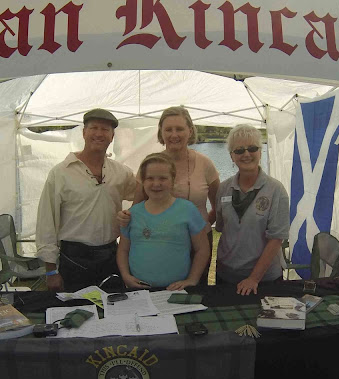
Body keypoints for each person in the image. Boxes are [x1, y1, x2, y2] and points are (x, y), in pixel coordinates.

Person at [36, 108, 136, 292]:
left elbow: (145, 194)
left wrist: (129, 215)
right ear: (84, 132)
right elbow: (46, 222)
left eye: (105, 130)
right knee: (76, 312)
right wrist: (51, 271)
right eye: (94, 128)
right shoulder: (60, 173)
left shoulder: (121, 172)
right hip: (73, 260)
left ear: (112, 136)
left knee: (113, 311)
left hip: (110, 257)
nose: (99, 134)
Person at [118, 106, 219, 284]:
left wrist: (201, 226)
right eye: (168, 129)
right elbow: (138, 205)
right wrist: (126, 218)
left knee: (193, 295)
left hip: (199, 241)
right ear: (161, 133)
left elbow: (218, 205)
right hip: (159, 238)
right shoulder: (151, 164)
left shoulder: (206, 164)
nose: (174, 135)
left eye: (179, 129)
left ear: (190, 130)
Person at [215, 124, 290, 295]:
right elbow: (221, 227)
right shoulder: (224, 188)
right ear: (232, 156)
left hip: (263, 280)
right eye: (239, 151)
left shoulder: (276, 190)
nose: (246, 154)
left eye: (252, 148)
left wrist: (253, 279)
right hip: (225, 275)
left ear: (260, 151)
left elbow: (276, 239)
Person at [117, 152, 210, 290]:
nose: (156, 184)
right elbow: (123, 250)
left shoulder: (187, 210)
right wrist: (125, 276)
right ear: (143, 181)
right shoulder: (133, 213)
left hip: (176, 289)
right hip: (139, 289)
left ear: (173, 180)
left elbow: (202, 249)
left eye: (163, 178)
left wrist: (193, 279)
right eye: (150, 178)